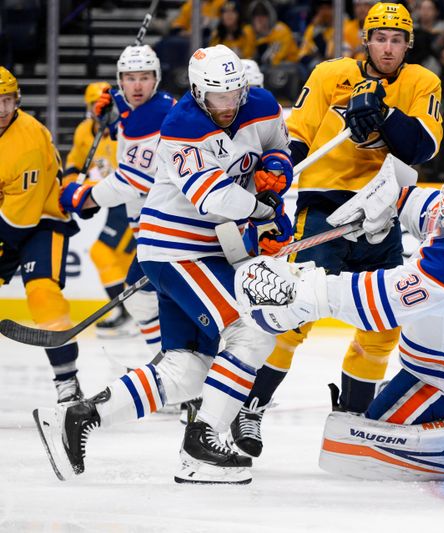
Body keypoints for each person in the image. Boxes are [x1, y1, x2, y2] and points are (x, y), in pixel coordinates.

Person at [33, 45, 294, 485]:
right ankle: (205, 441)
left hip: (210, 250)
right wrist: (267, 213)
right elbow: (214, 200)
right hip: (176, 248)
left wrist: (275, 170)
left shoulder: (261, 105)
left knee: (187, 368)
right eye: (218, 96)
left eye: (235, 94)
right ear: (196, 90)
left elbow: (280, 148)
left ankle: (77, 416)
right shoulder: (182, 126)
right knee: (252, 328)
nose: (229, 106)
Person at [234, 169, 444, 480]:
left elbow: (377, 301)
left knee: (363, 433)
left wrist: (304, 289)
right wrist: (391, 201)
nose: (443, 221)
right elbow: (435, 206)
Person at [228, 2, 443, 459]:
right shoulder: (330, 74)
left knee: (382, 325)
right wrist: (278, 169)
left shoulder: (423, 82)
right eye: (380, 38)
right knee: (292, 312)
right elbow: (298, 134)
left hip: (382, 212)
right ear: (365, 40)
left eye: (397, 39)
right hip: (326, 206)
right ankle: (251, 406)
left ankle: (352, 420)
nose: (388, 47)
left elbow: (422, 148)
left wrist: (383, 116)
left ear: (408, 44)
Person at [60, 45, 174, 356]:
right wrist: (115, 117)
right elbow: (128, 122)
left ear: (157, 78)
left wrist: (85, 196)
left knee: (144, 299)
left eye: (145, 78)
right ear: (120, 80)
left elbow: (131, 180)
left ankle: (171, 370)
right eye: (129, 78)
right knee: (155, 301)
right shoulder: (145, 109)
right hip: (156, 224)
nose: (137, 85)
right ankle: (172, 368)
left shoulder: (154, 116)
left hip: (167, 228)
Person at [0, 67, 83, 403]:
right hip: (10, 219)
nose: (1, 110)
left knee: (43, 293)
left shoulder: (27, 141)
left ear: (16, 101)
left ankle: (67, 381)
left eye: (6, 101)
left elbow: (20, 221)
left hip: (42, 222)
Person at [64, 82, 137, 337]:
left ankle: (128, 313)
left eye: (105, 106)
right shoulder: (85, 130)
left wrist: (88, 190)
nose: (100, 111)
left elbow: (123, 179)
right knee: (124, 261)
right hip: (113, 204)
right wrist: (69, 185)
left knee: (102, 252)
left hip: (131, 202)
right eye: (95, 106)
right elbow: (74, 160)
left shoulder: (124, 133)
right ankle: (136, 314)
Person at [250, 0, 299, 66]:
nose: (260, 19)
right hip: (268, 69)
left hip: (290, 66)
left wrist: (262, 36)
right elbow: (248, 58)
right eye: (256, 15)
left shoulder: (281, 30)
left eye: (264, 14)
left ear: (270, 16)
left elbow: (271, 60)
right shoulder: (249, 32)